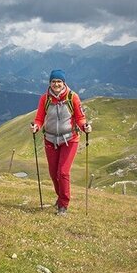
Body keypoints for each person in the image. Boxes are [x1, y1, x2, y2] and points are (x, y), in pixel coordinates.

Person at [30, 69, 90, 215]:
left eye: (59, 81)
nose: (56, 84)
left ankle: (63, 204)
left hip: (70, 139)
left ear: (64, 83)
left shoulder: (72, 97)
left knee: (63, 172)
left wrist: (85, 126)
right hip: (50, 139)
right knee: (53, 173)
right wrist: (36, 126)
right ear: (49, 83)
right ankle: (60, 196)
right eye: (53, 81)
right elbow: (39, 117)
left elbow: (80, 117)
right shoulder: (45, 99)